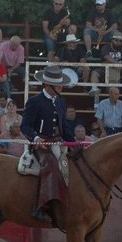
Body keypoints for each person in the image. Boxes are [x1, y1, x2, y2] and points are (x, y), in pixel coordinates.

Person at [20, 66, 74, 223]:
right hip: (40, 145)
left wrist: (75, 144)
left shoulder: (61, 102)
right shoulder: (34, 102)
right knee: (50, 164)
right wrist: (36, 139)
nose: (61, 87)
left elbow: (64, 127)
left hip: (57, 142)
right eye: (58, 85)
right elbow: (25, 126)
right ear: (47, 85)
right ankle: (42, 206)